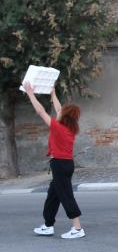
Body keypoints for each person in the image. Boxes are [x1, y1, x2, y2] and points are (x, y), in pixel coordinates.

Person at [25, 82, 85, 239]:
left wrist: (30, 93)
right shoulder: (71, 128)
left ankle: (77, 228)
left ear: (64, 117)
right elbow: (59, 109)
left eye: (61, 112)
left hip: (59, 165)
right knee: (53, 195)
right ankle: (48, 225)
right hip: (66, 165)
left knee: (66, 196)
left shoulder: (57, 127)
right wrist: (53, 95)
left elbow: (40, 111)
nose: (59, 112)